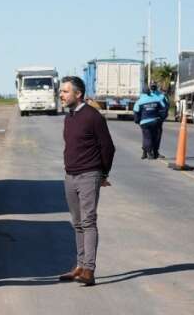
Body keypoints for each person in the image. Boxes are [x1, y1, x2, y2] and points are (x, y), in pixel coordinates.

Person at [57, 76, 115, 286]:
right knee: (78, 223)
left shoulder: (93, 117)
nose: (61, 95)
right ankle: (80, 266)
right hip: (70, 176)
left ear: (78, 94)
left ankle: (89, 270)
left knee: (88, 222)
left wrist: (103, 174)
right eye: (61, 91)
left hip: (89, 175)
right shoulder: (69, 117)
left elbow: (107, 147)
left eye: (65, 91)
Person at [133, 84, 167, 159]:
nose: (153, 88)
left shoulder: (139, 101)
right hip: (155, 121)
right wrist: (162, 118)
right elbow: (164, 107)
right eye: (152, 86)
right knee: (154, 137)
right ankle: (150, 153)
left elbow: (136, 112)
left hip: (144, 122)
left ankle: (147, 153)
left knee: (147, 137)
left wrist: (137, 121)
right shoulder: (158, 97)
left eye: (153, 86)